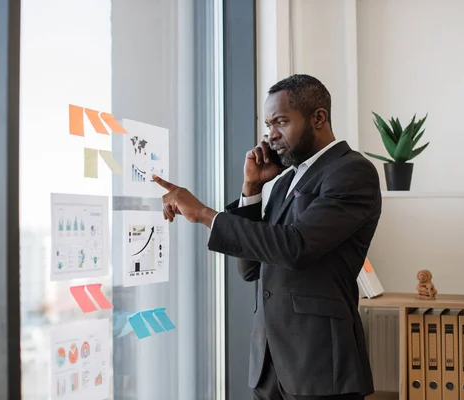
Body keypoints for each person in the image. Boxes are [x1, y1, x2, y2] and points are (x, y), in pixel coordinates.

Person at [153, 74, 381, 400]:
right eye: (268, 125)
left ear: (318, 118)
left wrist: (204, 213)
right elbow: (250, 270)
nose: (271, 136)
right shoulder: (286, 182)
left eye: (281, 122)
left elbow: (295, 246)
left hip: (319, 365)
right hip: (268, 366)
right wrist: (252, 190)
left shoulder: (352, 171)